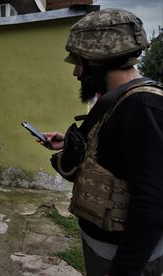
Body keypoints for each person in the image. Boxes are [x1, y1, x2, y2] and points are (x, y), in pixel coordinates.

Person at [40, 9, 163, 276]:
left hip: (123, 258)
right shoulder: (118, 100)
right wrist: (67, 145)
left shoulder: (143, 106)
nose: (75, 72)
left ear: (97, 61)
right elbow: (113, 156)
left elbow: (152, 202)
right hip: (101, 248)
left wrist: (124, 270)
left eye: (79, 62)